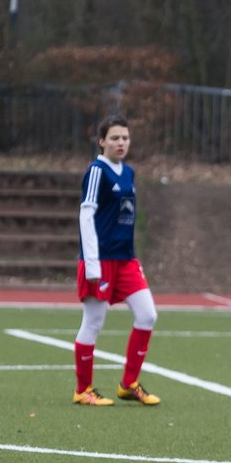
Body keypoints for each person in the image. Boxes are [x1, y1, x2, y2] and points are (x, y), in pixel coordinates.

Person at [72, 114, 161, 407]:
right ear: (102, 141)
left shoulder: (129, 172)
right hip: (100, 260)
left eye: (125, 137)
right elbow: (87, 216)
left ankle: (128, 383)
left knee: (147, 314)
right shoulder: (97, 171)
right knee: (93, 322)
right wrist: (93, 263)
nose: (121, 143)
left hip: (126, 260)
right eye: (114, 138)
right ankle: (83, 390)